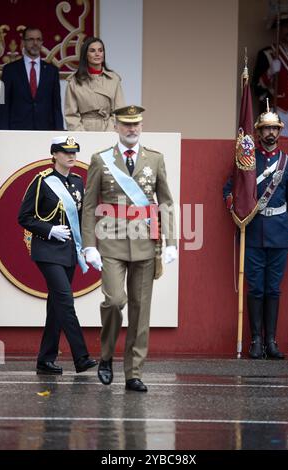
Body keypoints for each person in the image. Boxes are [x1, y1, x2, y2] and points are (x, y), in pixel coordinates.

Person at [82, 105, 177, 391]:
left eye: (136, 124)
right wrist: (89, 246)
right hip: (110, 242)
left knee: (140, 309)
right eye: (126, 125)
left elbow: (166, 203)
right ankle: (107, 356)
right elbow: (88, 207)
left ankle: (134, 372)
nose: (132, 129)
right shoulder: (101, 160)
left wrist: (171, 242)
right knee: (114, 301)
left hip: (146, 244)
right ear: (116, 127)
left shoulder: (155, 159)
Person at [223, 106, 288, 359]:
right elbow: (228, 189)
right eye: (266, 128)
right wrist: (234, 206)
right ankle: (255, 340)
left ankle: (271, 341)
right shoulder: (247, 161)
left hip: (278, 233)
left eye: (274, 129)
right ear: (257, 132)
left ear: (279, 132)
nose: (270, 133)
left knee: (273, 289)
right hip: (253, 231)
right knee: (255, 288)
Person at [18, 136, 97, 375]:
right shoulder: (42, 181)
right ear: (54, 154)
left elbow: (82, 219)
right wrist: (49, 229)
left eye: (74, 151)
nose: (71, 156)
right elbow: (24, 217)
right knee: (65, 301)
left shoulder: (77, 182)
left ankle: (45, 359)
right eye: (65, 152)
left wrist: (86, 247)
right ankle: (81, 357)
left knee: (56, 305)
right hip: (47, 251)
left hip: (69, 252)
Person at [0, 27, 63, 130]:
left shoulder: (52, 71)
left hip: (45, 130)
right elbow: (3, 104)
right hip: (17, 131)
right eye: (31, 39)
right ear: (23, 42)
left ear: (42, 42)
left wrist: (59, 131)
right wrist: (2, 133)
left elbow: (56, 106)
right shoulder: (9, 70)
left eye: (38, 39)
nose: (35, 43)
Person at [252, 11, 288, 138]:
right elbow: (257, 87)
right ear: (278, 29)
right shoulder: (267, 54)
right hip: (277, 110)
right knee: (279, 147)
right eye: (285, 27)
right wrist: (270, 72)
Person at [64, 37, 125, 131]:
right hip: (84, 130)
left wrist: (109, 132)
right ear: (85, 54)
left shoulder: (114, 79)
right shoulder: (74, 81)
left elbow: (119, 111)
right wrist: (83, 136)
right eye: (92, 51)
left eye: (100, 50)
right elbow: (71, 115)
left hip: (109, 129)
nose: (97, 54)